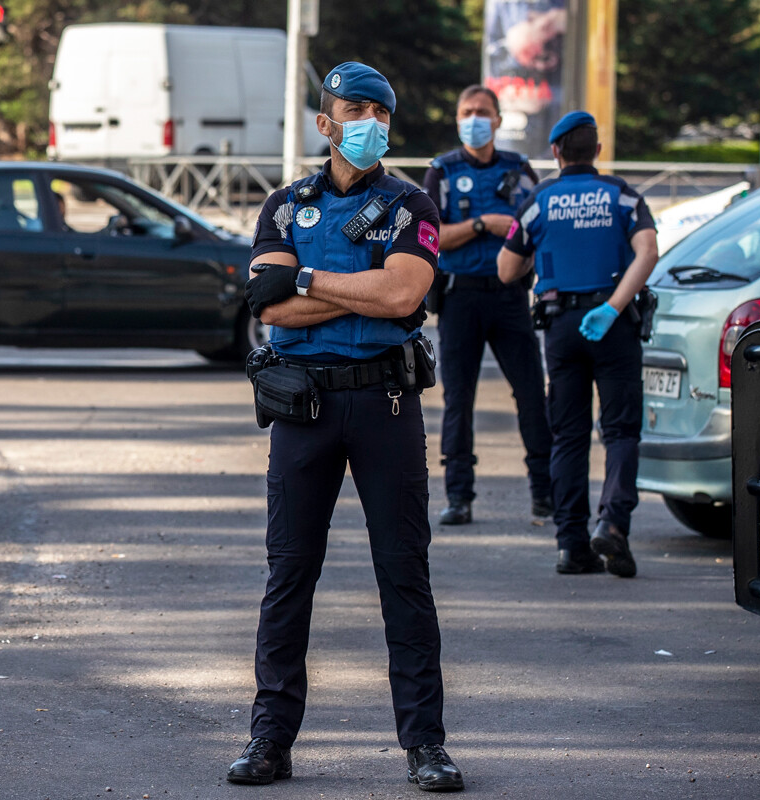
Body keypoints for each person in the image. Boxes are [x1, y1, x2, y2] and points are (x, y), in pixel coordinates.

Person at [228, 62, 463, 792]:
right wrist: (350, 292)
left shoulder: (409, 202)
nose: (370, 122)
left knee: (404, 574)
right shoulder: (285, 204)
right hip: (303, 409)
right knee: (288, 574)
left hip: (385, 408)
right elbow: (269, 308)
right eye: (354, 109)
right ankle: (270, 740)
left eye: (381, 111)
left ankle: (424, 745)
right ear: (325, 122)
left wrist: (304, 280)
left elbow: (403, 293)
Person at [497, 111, 658, 577]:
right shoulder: (622, 195)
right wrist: (611, 306)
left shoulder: (537, 200)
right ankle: (613, 525)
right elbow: (647, 251)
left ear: (556, 153)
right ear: (598, 152)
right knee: (621, 431)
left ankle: (571, 545)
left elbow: (508, 270)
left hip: (562, 328)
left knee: (568, 435)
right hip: (614, 324)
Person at [423, 85, 553, 525]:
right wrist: (484, 225)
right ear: (457, 118)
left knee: (532, 396)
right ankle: (459, 496)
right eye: (466, 112)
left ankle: (545, 494)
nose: (474, 119)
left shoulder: (519, 169)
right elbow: (432, 237)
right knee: (459, 399)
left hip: (510, 296)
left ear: (498, 120)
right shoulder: (442, 171)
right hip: (460, 296)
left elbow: (541, 226)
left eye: (482, 112)